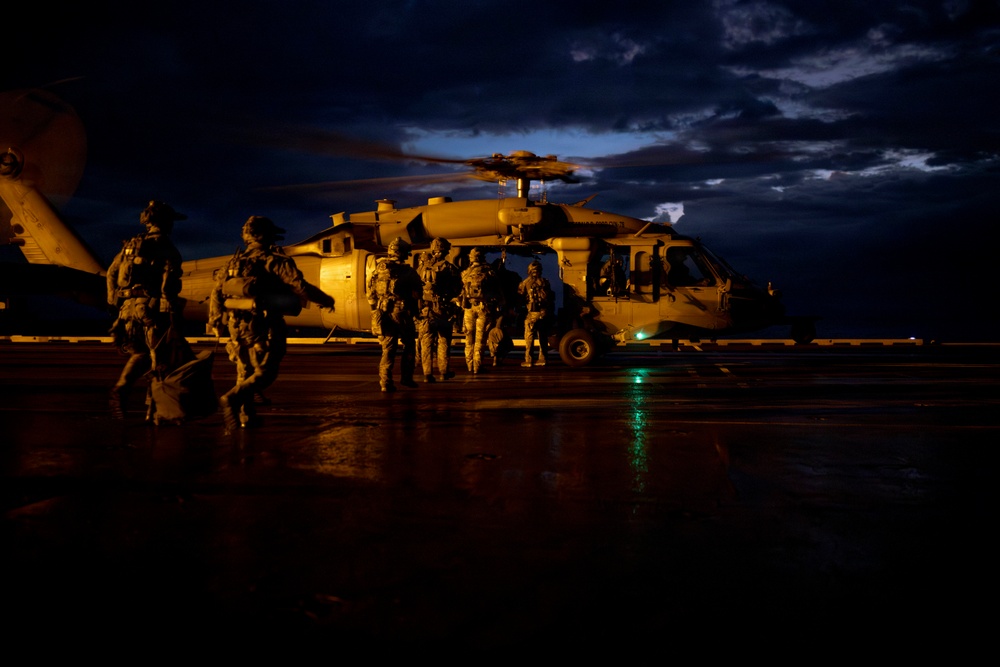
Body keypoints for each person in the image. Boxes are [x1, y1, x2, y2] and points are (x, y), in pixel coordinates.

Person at [210, 216, 335, 430]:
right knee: (266, 371)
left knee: (244, 370)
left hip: (236, 324)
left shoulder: (234, 263)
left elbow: (216, 291)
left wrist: (214, 320)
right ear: (268, 236)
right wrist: (326, 300)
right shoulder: (275, 260)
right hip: (263, 323)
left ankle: (246, 415)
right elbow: (300, 286)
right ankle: (231, 398)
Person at [107, 200, 188, 420]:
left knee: (139, 354)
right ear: (165, 222)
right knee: (159, 360)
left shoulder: (131, 245)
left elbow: (111, 273)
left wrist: (116, 303)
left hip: (128, 311)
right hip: (151, 311)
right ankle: (155, 412)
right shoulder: (165, 245)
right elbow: (168, 282)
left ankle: (121, 388)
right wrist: (170, 310)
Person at [366, 236, 422, 392]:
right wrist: (416, 313)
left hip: (383, 312)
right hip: (401, 313)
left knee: (388, 348)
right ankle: (406, 378)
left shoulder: (378, 269)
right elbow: (418, 293)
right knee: (409, 345)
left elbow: (370, 293)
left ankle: (385, 381)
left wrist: (374, 310)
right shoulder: (407, 271)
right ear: (403, 253)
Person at [416, 237, 462, 382]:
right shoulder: (450, 268)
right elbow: (458, 289)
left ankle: (427, 374)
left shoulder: (421, 268)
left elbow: (416, 287)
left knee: (426, 344)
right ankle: (443, 372)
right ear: (445, 250)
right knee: (443, 343)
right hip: (443, 312)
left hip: (426, 312)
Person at [460, 247, 502, 374]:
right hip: (483, 308)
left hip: (469, 308)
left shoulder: (466, 273)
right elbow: (497, 291)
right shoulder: (489, 272)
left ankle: (468, 364)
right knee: (480, 339)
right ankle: (477, 367)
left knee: (469, 338)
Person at [518, 259, 553, 367]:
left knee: (529, 337)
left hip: (531, 313)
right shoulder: (545, 282)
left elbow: (519, 298)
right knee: (543, 337)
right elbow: (551, 298)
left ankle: (529, 360)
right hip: (544, 313)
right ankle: (543, 359)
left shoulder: (525, 283)